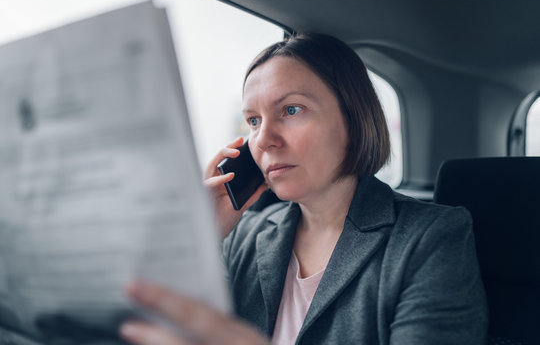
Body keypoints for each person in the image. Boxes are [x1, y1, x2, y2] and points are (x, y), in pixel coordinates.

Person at [120, 32, 488, 345]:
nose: (263, 139)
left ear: (354, 118)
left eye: (291, 110)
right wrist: (201, 241)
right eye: (253, 120)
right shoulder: (246, 233)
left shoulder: (432, 237)